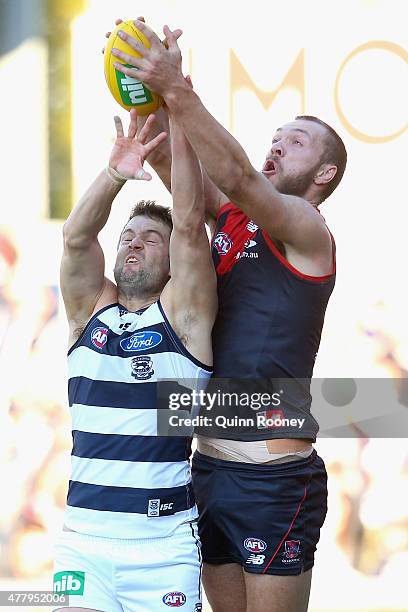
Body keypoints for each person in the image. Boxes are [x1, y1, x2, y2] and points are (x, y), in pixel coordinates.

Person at [110, 21, 347, 612]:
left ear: (325, 175)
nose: (277, 144)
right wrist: (154, 98)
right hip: (209, 470)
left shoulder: (307, 228)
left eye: (295, 142)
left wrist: (181, 93)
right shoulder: (239, 221)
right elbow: (186, 185)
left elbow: (236, 176)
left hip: (272, 479)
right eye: (276, 135)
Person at [53, 108, 217, 611]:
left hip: (163, 550)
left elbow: (190, 225)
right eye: (128, 236)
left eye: (150, 239)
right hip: (80, 543)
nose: (133, 243)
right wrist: (113, 176)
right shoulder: (88, 315)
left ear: (172, 262)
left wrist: (179, 108)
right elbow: (77, 237)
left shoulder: (183, 319)